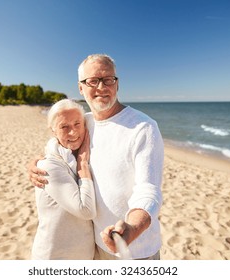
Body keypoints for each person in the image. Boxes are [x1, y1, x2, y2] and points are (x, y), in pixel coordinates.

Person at [29, 54, 164, 260]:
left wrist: (132, 228)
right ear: (81, 88)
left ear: (117, 84)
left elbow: (148, 189)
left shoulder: (143, 127)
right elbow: (60, 146)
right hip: (96, 246)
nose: (101, 86)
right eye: (93, 81)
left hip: (134, 249)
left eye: (108, 79)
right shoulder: (84, 123)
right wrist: (36, 162)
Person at [31, 99, 96, 260]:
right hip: (56, 257)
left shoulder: (81, 155)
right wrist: (82, 165)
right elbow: (85, 210)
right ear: (53, 130)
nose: (73, 132)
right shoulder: (49, 166)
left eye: (77, 124)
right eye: (64, 127)